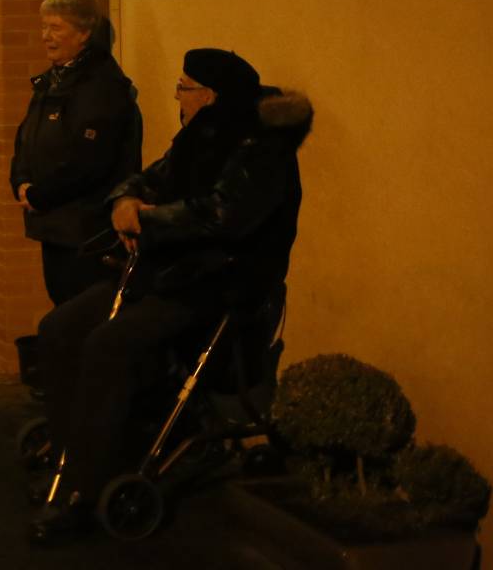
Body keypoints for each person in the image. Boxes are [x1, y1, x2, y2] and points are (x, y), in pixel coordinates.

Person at [29, 47, 313, 542]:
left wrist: (148, 216)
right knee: (60, 328)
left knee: (108, 345)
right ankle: (68, 449)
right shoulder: (199, 138)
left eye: (183, 87)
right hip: (163, 270)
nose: (177, 96)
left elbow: (224, 215)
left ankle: (85, 487)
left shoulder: (262, 150)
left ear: (210, 95)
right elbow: (150, 178)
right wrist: (126, 199)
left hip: (213, 283)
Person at [11, 0, 143, 307]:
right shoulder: (53, 82)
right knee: (61, 305)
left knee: (80, 312)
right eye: (44, 27)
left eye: (56, 28)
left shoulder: (100, 87)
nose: (46, 36)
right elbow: (26, 138)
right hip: (55, 225)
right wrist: (20, 182)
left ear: (84, 33)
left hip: (86, 230)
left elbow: (90, 161)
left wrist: (40, 195)